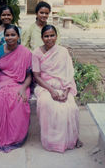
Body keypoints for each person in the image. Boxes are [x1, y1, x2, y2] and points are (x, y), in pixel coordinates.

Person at [32, 25, 82, 153]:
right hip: (44, 86)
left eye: (52, 35)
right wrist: (52, 91)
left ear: (56, 36)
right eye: (46, 36)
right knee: (47, 104)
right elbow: (37, 76)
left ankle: (71, 139)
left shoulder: (63, 52)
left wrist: (66, 91)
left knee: (71, 108)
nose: (49, 38)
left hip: (63, 85)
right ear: (42, 37)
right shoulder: (36, 53)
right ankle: (52, 141)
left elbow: (68, 74)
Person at [0, 24, 32, 152]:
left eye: (13, 35)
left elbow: (29, 76)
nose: (10, 37)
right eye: (7, 35)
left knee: (18, 101)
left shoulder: (25, 52)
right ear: (4, 37)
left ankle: (15, 138)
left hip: (19, 84)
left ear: (18, 36)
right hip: (2, 81)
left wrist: (23, 88)